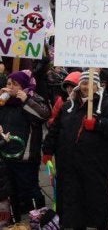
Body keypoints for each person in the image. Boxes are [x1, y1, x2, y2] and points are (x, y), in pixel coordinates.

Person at [42, 71, 108, 229]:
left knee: (96, 201)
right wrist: (47, 150)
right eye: (84, 83)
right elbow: (55, 130)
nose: (87, 87)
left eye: (90, 83)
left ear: (97, 85)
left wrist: (98, 124)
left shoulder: (107, 105)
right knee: (73, 203)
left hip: (94, 166)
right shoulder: (68, 106)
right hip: (69, 166)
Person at [0, 71, 50, 220]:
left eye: (15, 84)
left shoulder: (34, 98)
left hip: (25, 156)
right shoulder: (4, 102)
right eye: (8, 84)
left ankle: (41, 221)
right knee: (11, 190)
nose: (10, 87)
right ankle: (16, 221)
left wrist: (26, 100)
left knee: (30, 189)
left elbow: (43, 116)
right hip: (6, 153)